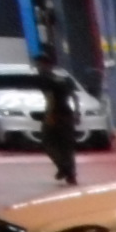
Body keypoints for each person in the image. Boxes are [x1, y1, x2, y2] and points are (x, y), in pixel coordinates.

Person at [35, 52, 78, 186]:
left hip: (55, 114)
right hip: (67, 114)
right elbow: (75, 97)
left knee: (47, 142)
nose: (37, 68)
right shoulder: (64, 79)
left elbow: (50, 99)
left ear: (45, 65)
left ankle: (64, 167)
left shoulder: (44, 79)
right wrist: (77, 113)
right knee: (67, 146)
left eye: (38, 64)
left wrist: (49, 116)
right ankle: (71, 174)